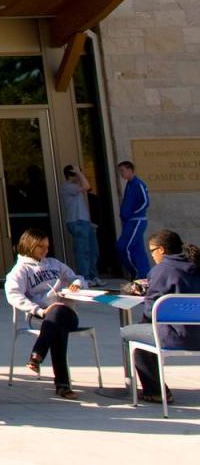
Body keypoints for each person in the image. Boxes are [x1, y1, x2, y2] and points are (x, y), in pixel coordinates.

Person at [4, 228, 87, 399]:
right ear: (29, 246)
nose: (45, 250)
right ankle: (62, 386)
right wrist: (39, 310)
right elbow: (13, 295)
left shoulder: (54, 264)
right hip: (40, 317)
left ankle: (37, 355)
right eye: (40, 246)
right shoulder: (20, 270)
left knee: (58, 313)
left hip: (67, 314)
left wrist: (77, 284)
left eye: (47, 247)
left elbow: (76, 277)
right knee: (58, 329)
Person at [121, 228, 200, 404]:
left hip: (176, 337)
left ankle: (155, 391)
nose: (152, 256)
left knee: (129, 333)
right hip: (197, 334)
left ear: (161, 250)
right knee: (145, 329)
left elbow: (152, 310)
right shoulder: (196, 265)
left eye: (152, 251)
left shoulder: (162, 270)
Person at [61, 166, 100, 285]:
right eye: (77, 175)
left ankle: (93, 276)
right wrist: (78, 173)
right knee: (83, 251)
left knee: (93, 251)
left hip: (84, 222)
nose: (79, 178)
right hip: (76, 222)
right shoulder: (68, 187)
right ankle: (85, 277)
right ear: (71, 175)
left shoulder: (75, 188)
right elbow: (87, 186)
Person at [116, 160, 152, 280]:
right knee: (138, 248)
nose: (121, 174)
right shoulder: (129, 184)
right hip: (129, 221)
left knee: (125, 246)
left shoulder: (138, 184)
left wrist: (133, 214)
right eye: (119, 171)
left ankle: (136, 272)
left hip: (136, 220)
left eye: (122, 171)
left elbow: (145, 202)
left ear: (130, 170)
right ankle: (145, 274)